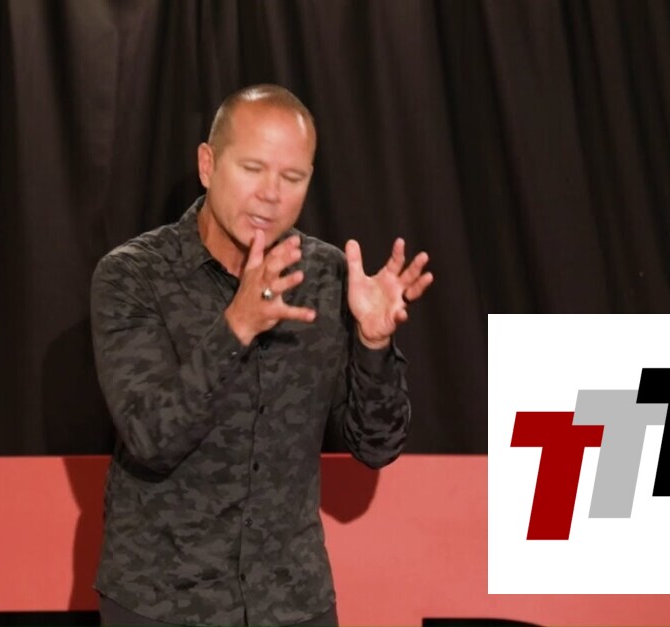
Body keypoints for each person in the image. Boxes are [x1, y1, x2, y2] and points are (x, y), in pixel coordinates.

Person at [89, 84, 433, 626]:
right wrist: (238, 325)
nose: (271, 194)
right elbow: (151, 438)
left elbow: (376, 446)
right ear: (208, 165)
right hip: (161, 600)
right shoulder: (133, 276)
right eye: (253, 169)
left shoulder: (329, 278)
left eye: (292, 177)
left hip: (292, 601)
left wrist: (374, 344)